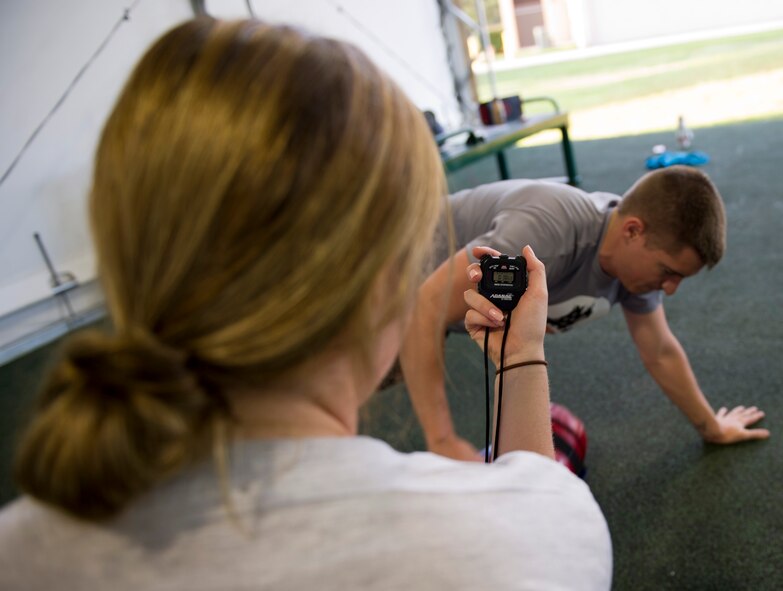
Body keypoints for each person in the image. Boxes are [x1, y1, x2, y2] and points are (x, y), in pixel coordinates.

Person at [0, 18, 612, 590]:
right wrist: (521, 357)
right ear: (382, 279)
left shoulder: (21, 549)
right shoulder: (532, 539)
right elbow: (539, 503)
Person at [401, 172, 770, 461]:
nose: (669, 288)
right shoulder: (547, 231)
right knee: (350, 400)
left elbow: (659, 350)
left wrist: (713, 429)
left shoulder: (634, 269)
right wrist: (442, 440)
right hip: (389, 276)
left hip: (444, 305)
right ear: (632, 231)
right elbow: (424, 310)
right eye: (668, 272)